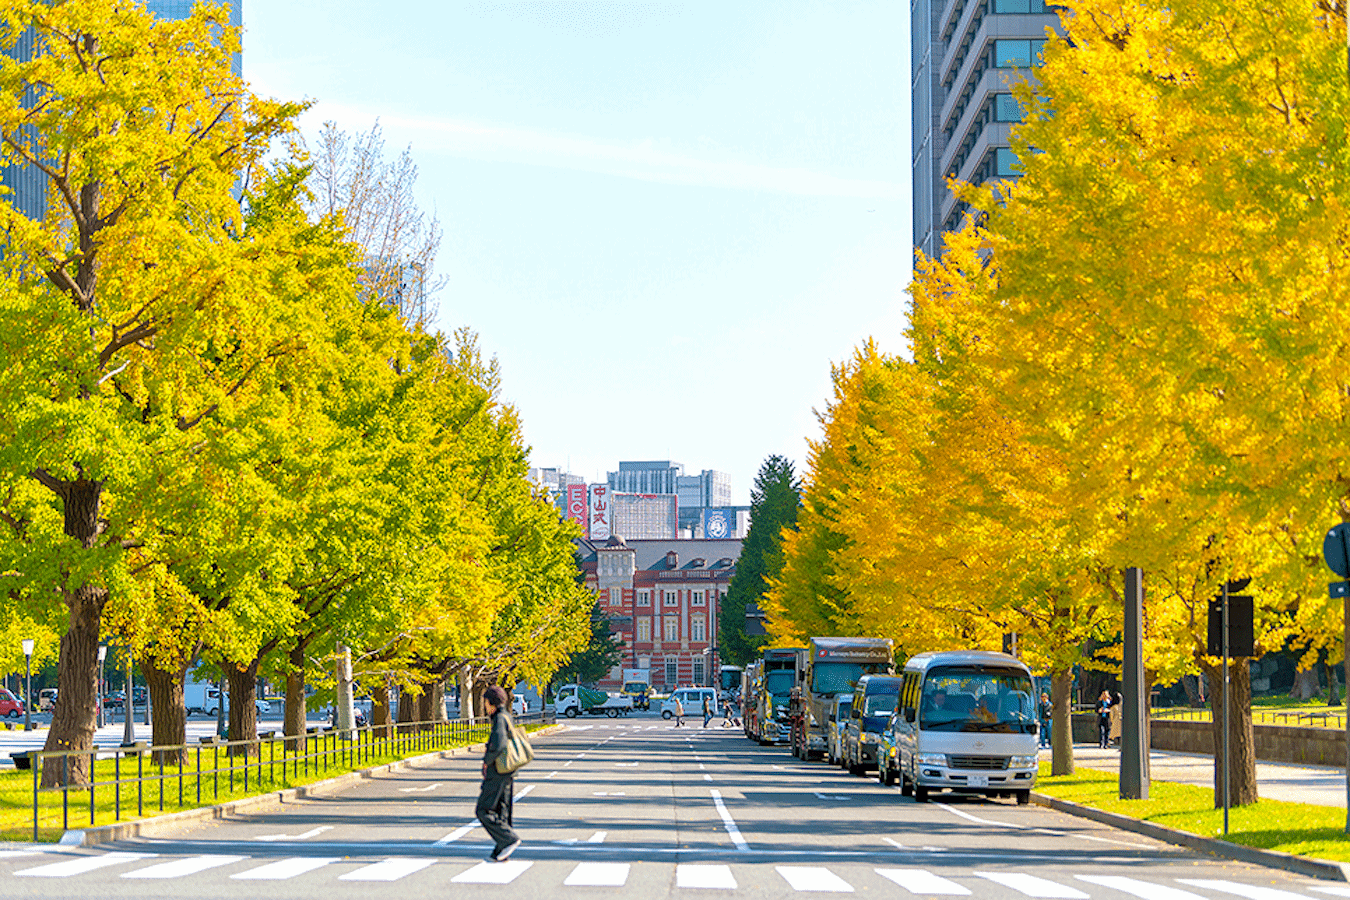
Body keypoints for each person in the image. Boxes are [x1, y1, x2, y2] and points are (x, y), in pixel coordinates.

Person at [477, 685, 521, 862]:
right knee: (502, 810)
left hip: (498, 771)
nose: (485, 707)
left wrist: (487, 760)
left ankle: (509, 839)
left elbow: (499, 743)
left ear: (490, 703)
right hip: (508, 770)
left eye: (485, 702)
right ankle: (502, 850)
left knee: (484, 809)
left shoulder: (499, 719)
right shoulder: (507, 716)